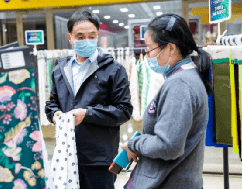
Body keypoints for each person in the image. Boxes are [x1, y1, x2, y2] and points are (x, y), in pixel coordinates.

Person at [121, 13, 212, 189]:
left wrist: (135, 144)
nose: (147, 56)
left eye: (149, 48)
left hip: (168, 182)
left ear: (171, 48)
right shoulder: (183, 77)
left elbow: (168, 145)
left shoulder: (180, 84)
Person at [45, 11, 133, 189]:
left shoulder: (113, 70)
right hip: (67, 156)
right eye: (80, 36)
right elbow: (51, 103)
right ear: (70, 38)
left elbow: (124, 111)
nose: (86, 40)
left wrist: (87, 114)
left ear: (98, 35)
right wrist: (54, 114)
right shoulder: (60, 69)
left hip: (99, 158)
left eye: (91, 36)